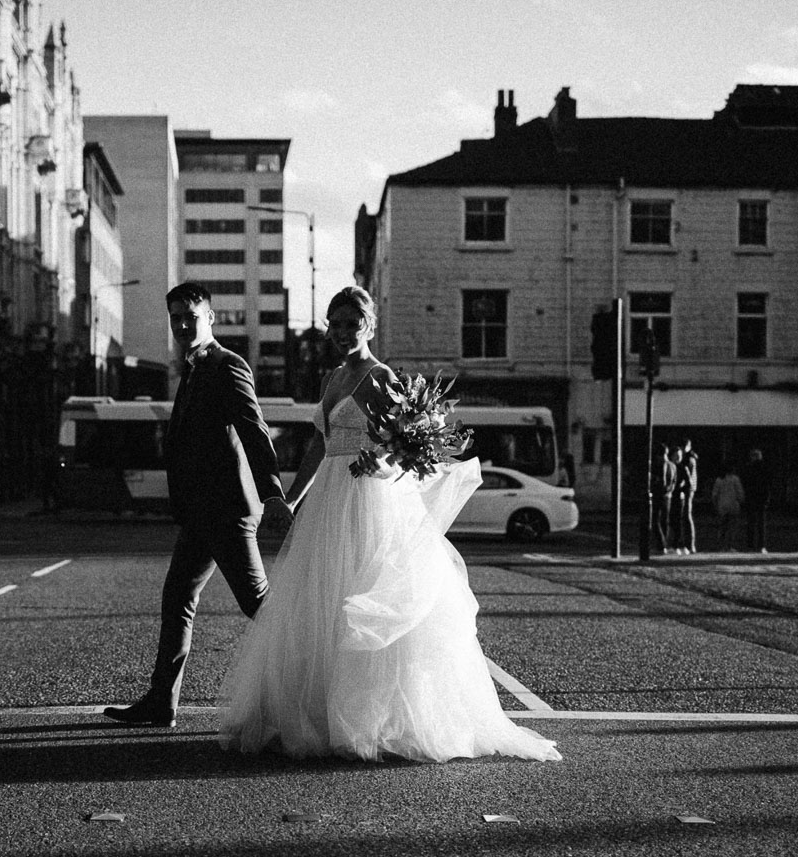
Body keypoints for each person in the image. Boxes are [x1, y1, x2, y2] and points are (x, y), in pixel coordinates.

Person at [218, 286, 559, 763]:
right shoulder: (331, 378)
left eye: (351, 324)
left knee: (361, 593)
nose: (340, 333)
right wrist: (291, 498)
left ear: (370, 326)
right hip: (329, 500)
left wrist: (381, 460)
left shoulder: (380, 378)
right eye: (334, 325)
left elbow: (401, 443)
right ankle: (315, 710)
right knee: (319, 597)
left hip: (365, 497)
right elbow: (320, 444)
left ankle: (367, 717)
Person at [103, 282, 292, 728]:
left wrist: (272, 494)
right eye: (175, 318)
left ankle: (313, 684)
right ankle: (160, 703)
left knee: (260, 605)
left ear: (212, 317)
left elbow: (254, 430)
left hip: (226, 510)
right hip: (200, 513)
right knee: (177, 597)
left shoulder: (227, 366)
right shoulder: (190, 367)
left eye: (191, 316)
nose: (183, 325)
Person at [740, 447, 772, 552]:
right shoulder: (764, 468)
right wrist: (767, 498)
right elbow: (767, 485)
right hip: (761, 498)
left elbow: (745, 484)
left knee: (751, 523)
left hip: (751, 497)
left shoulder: (748, 468)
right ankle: (761, 546)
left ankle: (750, 546)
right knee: (761, 524)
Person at [711, 463, 745, 551]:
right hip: (733, 505)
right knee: (732, 527)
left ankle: (722, 546)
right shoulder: (735, 479)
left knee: (722, 527)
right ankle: (730, 546)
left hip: (722, 506)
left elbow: (714, 494)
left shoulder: (719, 480)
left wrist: (715, 504)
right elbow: (740, 492)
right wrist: (741, 501)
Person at [674, 436, 699, 553]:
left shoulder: (688, 459)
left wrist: (681, 487)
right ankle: (689, 544)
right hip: (690, 488)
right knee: (686, 516)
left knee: (686, 515)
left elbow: (686, 477)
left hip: (687, 489)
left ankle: (689, 544)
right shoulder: (691, 458)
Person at [654, 443, 680, 554]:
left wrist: (657, 483)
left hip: (660, 494)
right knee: (665, 520)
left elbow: (662, 481)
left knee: (655, 520)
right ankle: (664, 544)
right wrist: (670, 490)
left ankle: (661, 544)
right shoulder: (673, 465)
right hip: (669, 496)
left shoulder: (662, 464)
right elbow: (674, 481)